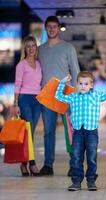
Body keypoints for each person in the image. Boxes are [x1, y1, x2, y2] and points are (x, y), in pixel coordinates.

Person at [55, 71, 106, 191]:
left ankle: (91, 181)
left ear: (92, 85)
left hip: (92, 132)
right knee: (76, 157)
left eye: (86, 84)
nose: (83, 86)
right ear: (76, 84)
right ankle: (76, 181)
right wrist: (62, 83)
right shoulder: (73, 97)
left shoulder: (96, 95)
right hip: (78, 132)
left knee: (91, 157)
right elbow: (58, 96)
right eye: (80, 83)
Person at [38, 16, 80, 176]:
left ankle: (74, 164)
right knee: (49, 131)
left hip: (66, 94)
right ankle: (48, 165)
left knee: (70, 130)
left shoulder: (68, 48)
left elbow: (75, 70)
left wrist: (78, 94)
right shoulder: (40, 50)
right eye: (49, 26)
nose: (52, 29)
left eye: (54, 26)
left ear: (58, 28)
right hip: (47, 96)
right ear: (45, 28)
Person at [14, 35, 42, 176]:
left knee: (30, 132)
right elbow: (17, 84)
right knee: (29, 129)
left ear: (36, 47)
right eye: (28, 46)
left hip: (37, 100)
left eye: (33, 45)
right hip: (24, 99)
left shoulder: (39, 64)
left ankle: (23, 164)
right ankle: (32, 163)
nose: (31, 48)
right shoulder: (21, 65)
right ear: (25, 48)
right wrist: (15, 103)